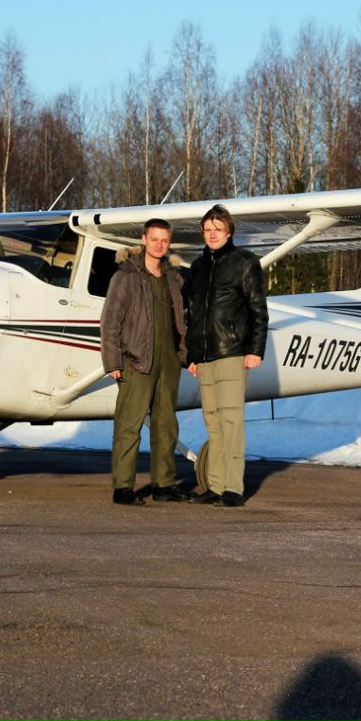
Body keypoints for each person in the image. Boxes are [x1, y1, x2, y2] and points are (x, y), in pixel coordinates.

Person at [184, 204, 269, 507]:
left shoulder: (245, 263)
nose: (212, 235)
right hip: (205, 357)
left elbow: (259, 311)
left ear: (229, 232)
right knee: (213, 422)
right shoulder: (197, 268)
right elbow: (192, 314)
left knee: (232, 421)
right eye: (207, 230)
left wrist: (254, 350)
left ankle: (233, 486)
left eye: (217, 229)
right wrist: (192, 355)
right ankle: (215, 486)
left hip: (232, 353)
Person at [100, 218, 189, 506]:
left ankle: (164, 483)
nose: (160, 245)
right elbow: (110, 321)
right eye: (155, 239)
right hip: (136, 361)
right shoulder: (125, 277)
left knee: (166, 424)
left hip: (169, 361)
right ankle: (123, 487)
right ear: (143, 239)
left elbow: (182, 320)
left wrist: (184, 354)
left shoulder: (173, 278)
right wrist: (112, 360)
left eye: (165, 240)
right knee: (129, 425)